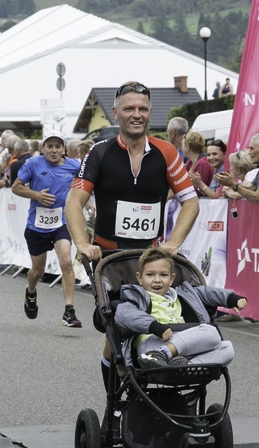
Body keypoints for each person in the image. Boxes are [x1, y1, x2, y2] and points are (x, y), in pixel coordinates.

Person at [65, 81, 199, 393]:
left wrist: (173, 244)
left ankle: (159, 384)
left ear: (150, 113)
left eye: (142, 109)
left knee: (161, 320)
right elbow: (74, 202)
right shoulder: (100, 152)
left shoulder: (166, 152)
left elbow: (190, 202)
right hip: (109, 259)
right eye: (129, 109)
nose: (136, 114)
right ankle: (115, 401)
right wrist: (83, 243)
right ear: (115, 113)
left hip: (151, 258)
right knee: (116, 330)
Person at [115, 248, 246, 368]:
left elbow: (208, 293)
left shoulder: (183, 293)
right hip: (152, 345)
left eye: (163, 275)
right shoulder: (136, 296)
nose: (157, 280)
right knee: (211, 331)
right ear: (139, 278)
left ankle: (187, 367)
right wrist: (154, 326)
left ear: (172, 279)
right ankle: (161, 354)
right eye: (150, 275)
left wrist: (233, 299)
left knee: (227, 348)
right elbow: (124, 314)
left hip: (183, 345)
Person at [11, 134, 83, 327]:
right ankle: (30, 292)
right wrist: (36, 195)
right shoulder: (33, 164)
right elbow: (16, 187)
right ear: (43, 149)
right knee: (38, 270)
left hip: (60, 223)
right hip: (36, 225)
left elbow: (83, 187)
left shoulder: (74, 166)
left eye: (57, 146)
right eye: (49, 146)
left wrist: (89, 203)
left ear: (63, 149)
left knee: (66, 261)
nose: (53, 150)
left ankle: (69, 311)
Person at [215, 132, 259, 203]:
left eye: (251, 148)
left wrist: (232, 184)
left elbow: (257, 197)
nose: (249, 152)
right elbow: (249, 188)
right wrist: (229, 186)